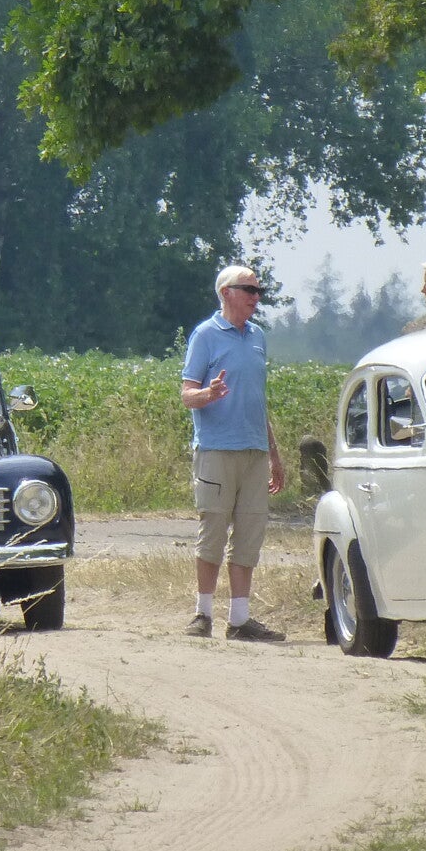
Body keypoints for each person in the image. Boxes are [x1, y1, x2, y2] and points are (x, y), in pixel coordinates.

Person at [179, 264, 287, 641]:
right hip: (216, 450)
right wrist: (208, 394)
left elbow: (258, 400)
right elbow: (186, 395)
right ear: (226, 293)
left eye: (259, 291)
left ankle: (240, 620)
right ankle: (202, 614)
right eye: (249, 290)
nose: (257, 297)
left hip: (254, 451)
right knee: (212, 530)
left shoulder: (258, 337)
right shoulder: (205, 335)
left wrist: (274, 454)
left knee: (249, 535)